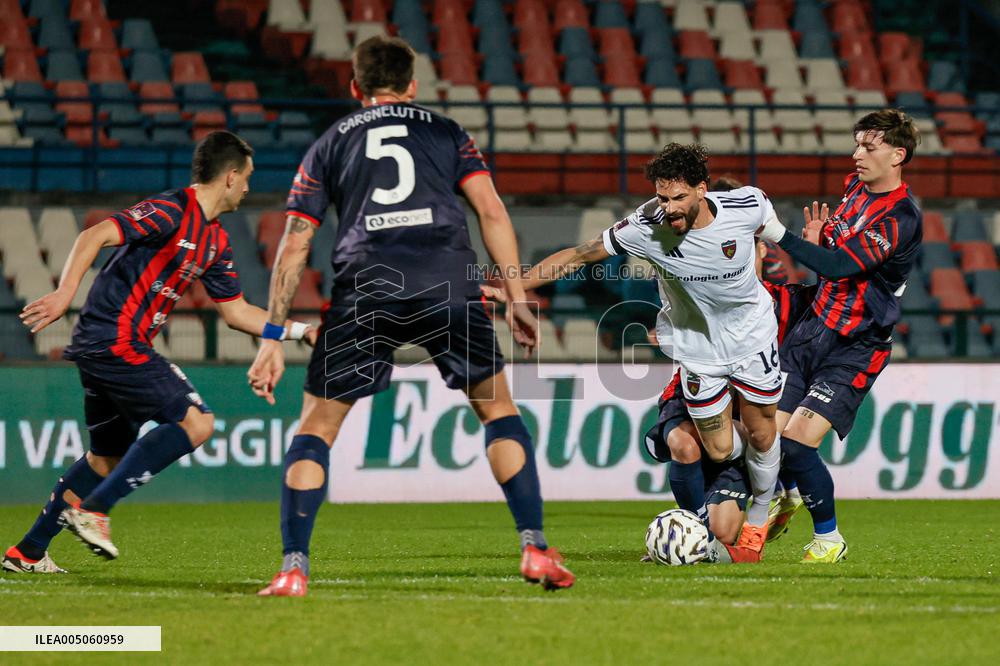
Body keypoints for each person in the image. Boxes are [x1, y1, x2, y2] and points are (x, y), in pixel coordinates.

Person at [247, 36, 573, 597]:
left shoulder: (329, 143)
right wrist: (517, 295)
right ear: (414, 85)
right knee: (496, 409)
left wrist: (273, 335)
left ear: (355, 88)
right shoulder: (447, 131)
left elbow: (295, 243)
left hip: (366, 284)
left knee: (317, 427)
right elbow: (491, 210)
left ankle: (293, 567)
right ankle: (536, 547)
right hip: (446, 279)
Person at [2, 131, 316, 572]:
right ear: (229, 178)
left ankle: (28, 551)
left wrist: (300, 330)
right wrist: (63, 293)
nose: (248, 187)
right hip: (115, 338)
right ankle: (94, 510)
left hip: (105, 347)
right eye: (246, 177)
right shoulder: (171, 209)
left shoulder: (216, 242)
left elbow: (237, 312)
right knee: (197, 421)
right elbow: (94, 234)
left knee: (105, 456)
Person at [522, 144, 785, 562]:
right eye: (662, 198)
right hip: (697, 351)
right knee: (719, 448)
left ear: (701, 190)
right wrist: (516, 288)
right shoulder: (644, 226)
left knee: (761, 430)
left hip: (751, 341)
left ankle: (758, 512)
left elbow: (776, 234)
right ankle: (765, 467)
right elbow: (578, 254)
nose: (669, 207)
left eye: (678, 197)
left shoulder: (743, 207)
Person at [758, 109, 923, 562]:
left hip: (856, 344)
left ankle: (829, 539)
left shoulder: (901, 218)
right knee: (766, 436)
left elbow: (837, 266)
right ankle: (788, 494)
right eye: (856, 145)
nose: (857, 155)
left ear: (897, 154)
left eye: (868, 147)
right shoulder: (855, 189)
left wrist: (781, 234)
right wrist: (818, 237)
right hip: (812, 329)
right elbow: (833, 250)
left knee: (797, 441)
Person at [643, 238, 817, 561]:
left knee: (725, 533)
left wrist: (820, 256)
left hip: (744, 423)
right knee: (683, 444)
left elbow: (831, 302)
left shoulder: (784, 303)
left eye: (742, 249)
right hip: (694, 401)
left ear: (762, 250)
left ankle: (715, 532)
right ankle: (695, 533)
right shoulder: (706, 291)